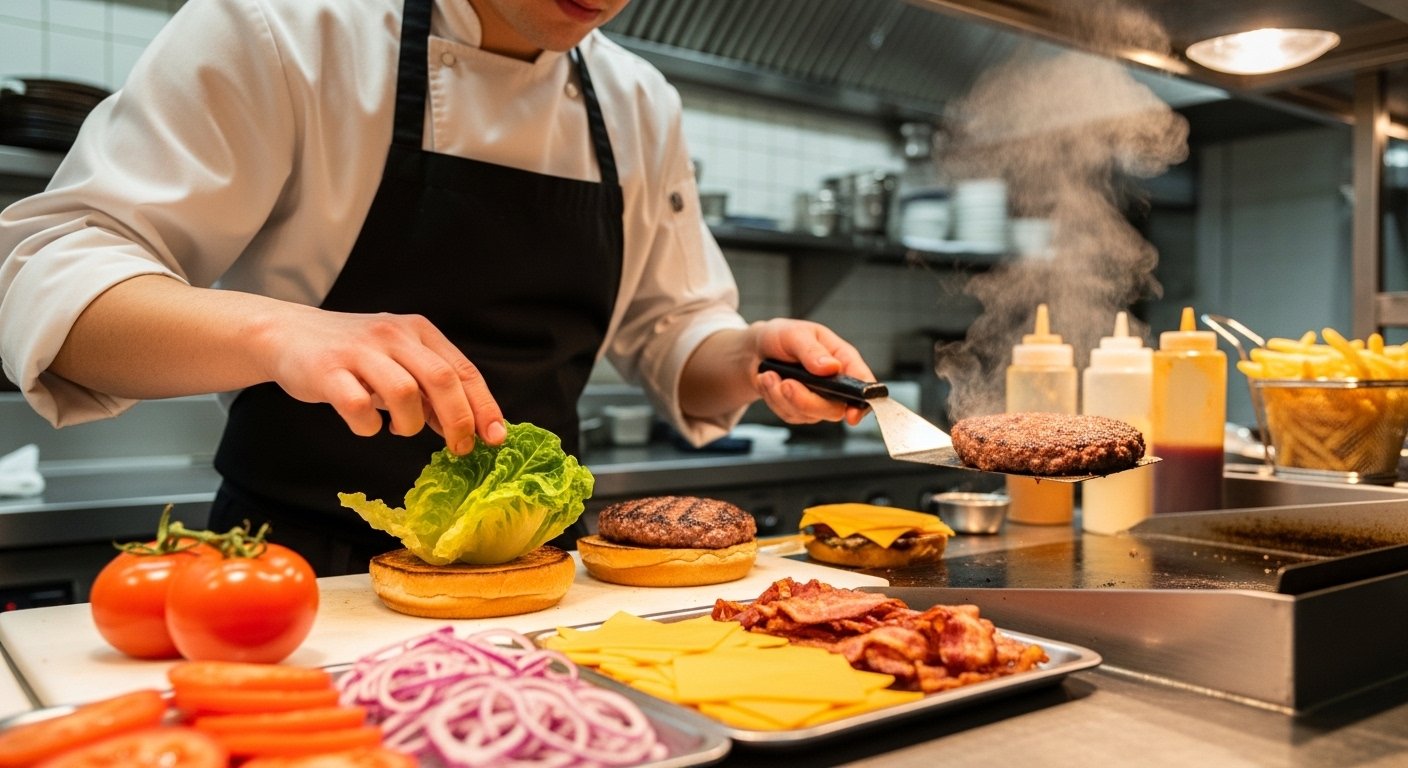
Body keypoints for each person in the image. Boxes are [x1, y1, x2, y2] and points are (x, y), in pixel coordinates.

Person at [0, 0, 875, 576]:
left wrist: (750, 354)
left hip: (534, 574)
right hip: (292, 568)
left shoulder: (638, 100)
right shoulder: (289, 26)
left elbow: (676, 333)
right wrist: (280, 332)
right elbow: (49, 268)